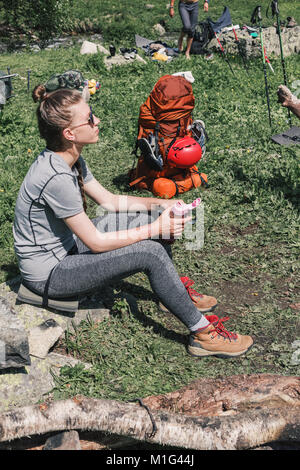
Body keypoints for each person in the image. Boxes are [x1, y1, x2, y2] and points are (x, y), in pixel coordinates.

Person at [13, 86, 253, 358]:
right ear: (69, 133)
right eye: (90, 118)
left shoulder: (70, 158)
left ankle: (171, 293)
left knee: (147, 217)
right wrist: (155, 229)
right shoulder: (56, 176)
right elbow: (95, 242)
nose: (97, 121)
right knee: (149, 251)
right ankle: (203, 335)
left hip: (67, 248)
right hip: (51, 274)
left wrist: (160, 205)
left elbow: (110, 202)